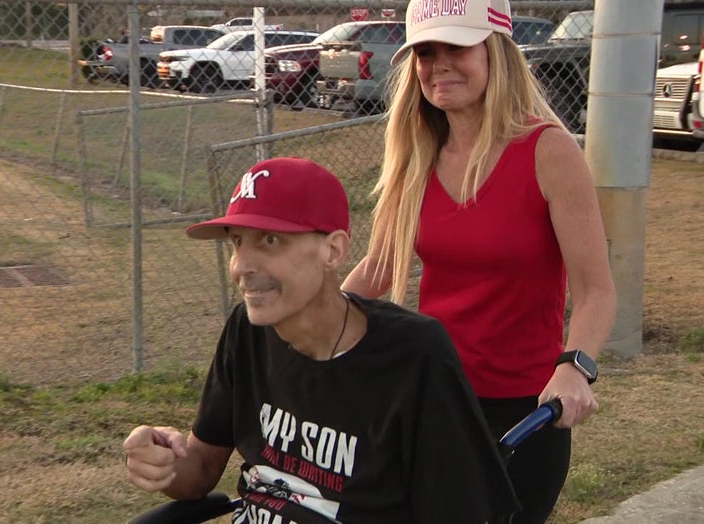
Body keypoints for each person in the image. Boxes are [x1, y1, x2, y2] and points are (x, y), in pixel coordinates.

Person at [124, 157, 520, 523]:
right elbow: (200, 471)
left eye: (269, 241)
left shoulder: (412, 356)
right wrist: (164, 462)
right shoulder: (247, 331)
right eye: (237, 242)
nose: (242, 266)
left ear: (333, 250)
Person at [341, 1, 617, 522]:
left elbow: (597, 289)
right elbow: (379, 268)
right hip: (432, 397)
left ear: (496, 53)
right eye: (426, 51)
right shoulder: (417, 153)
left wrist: (575, 368)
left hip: (523, 413)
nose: (439, 63)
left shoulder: (548, 151)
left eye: (457, 47)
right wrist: (314, 328)